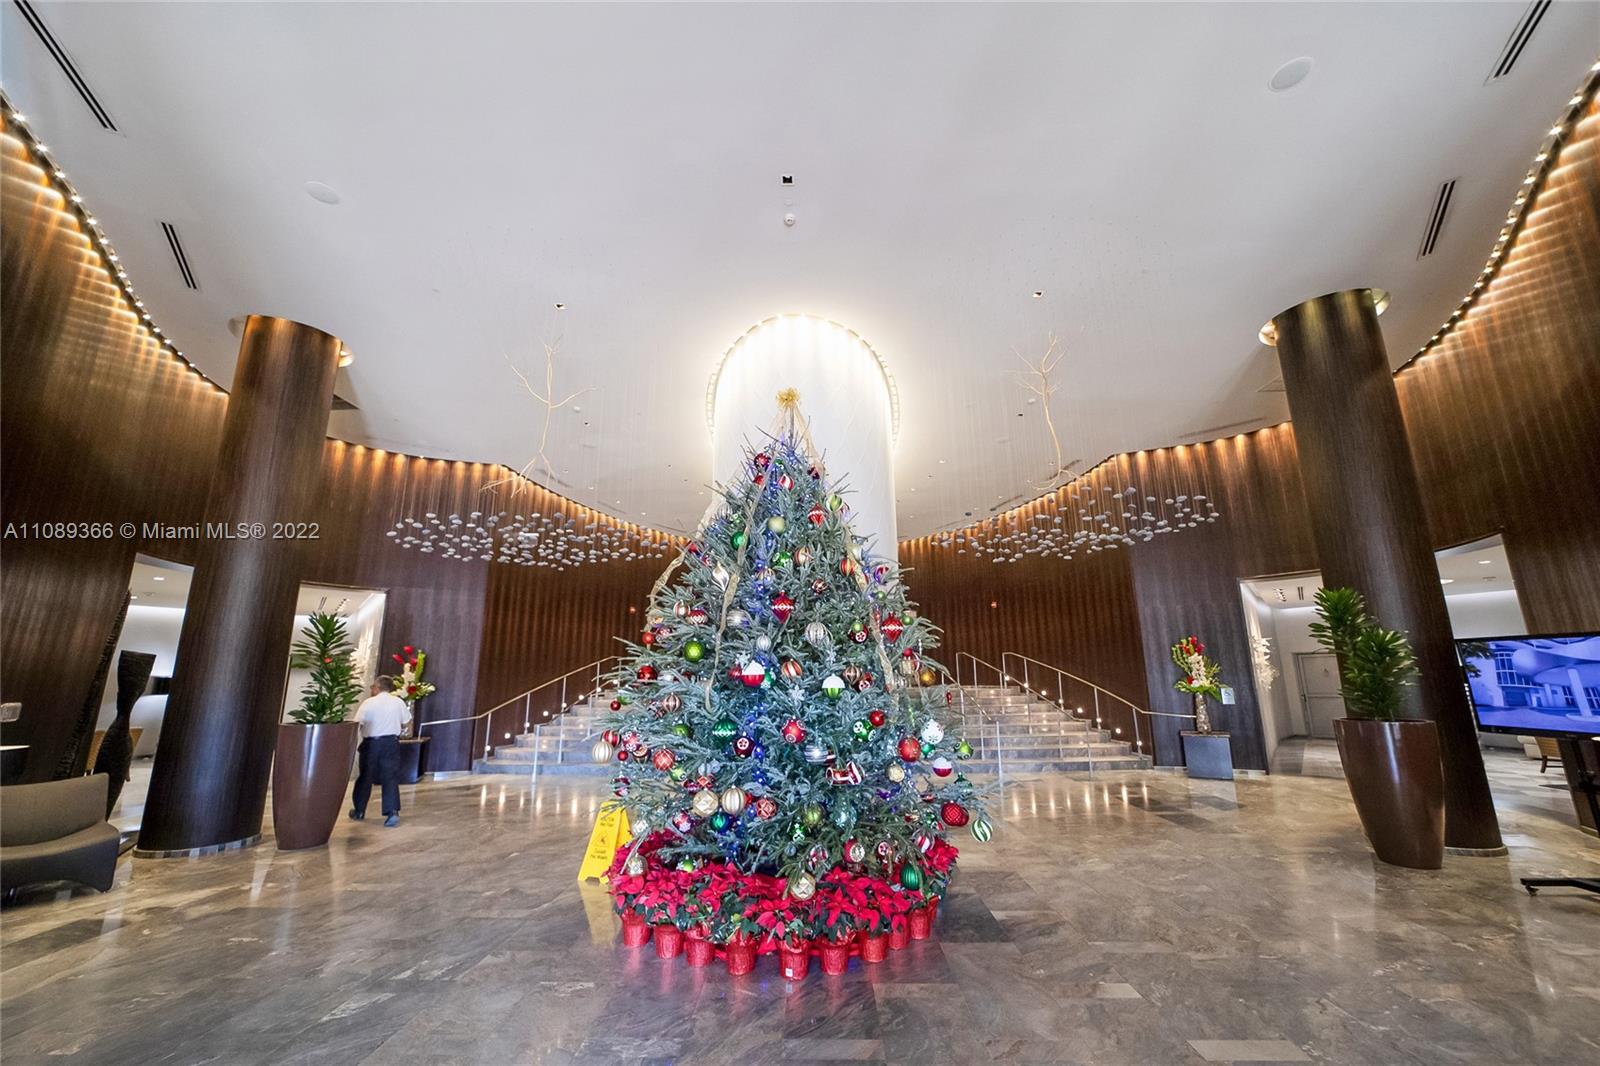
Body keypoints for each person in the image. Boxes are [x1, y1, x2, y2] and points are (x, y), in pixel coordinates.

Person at [350, 679, 412, 827]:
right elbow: (407, 722)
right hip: (391, 743)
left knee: (365, 776)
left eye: (372, 687)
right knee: (390, 777)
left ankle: (359, 810)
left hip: (372, 744)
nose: (371, 689)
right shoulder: (398, 702)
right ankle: (392, 813)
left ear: (377, 687)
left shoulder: (368, 703)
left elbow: (357, 724)